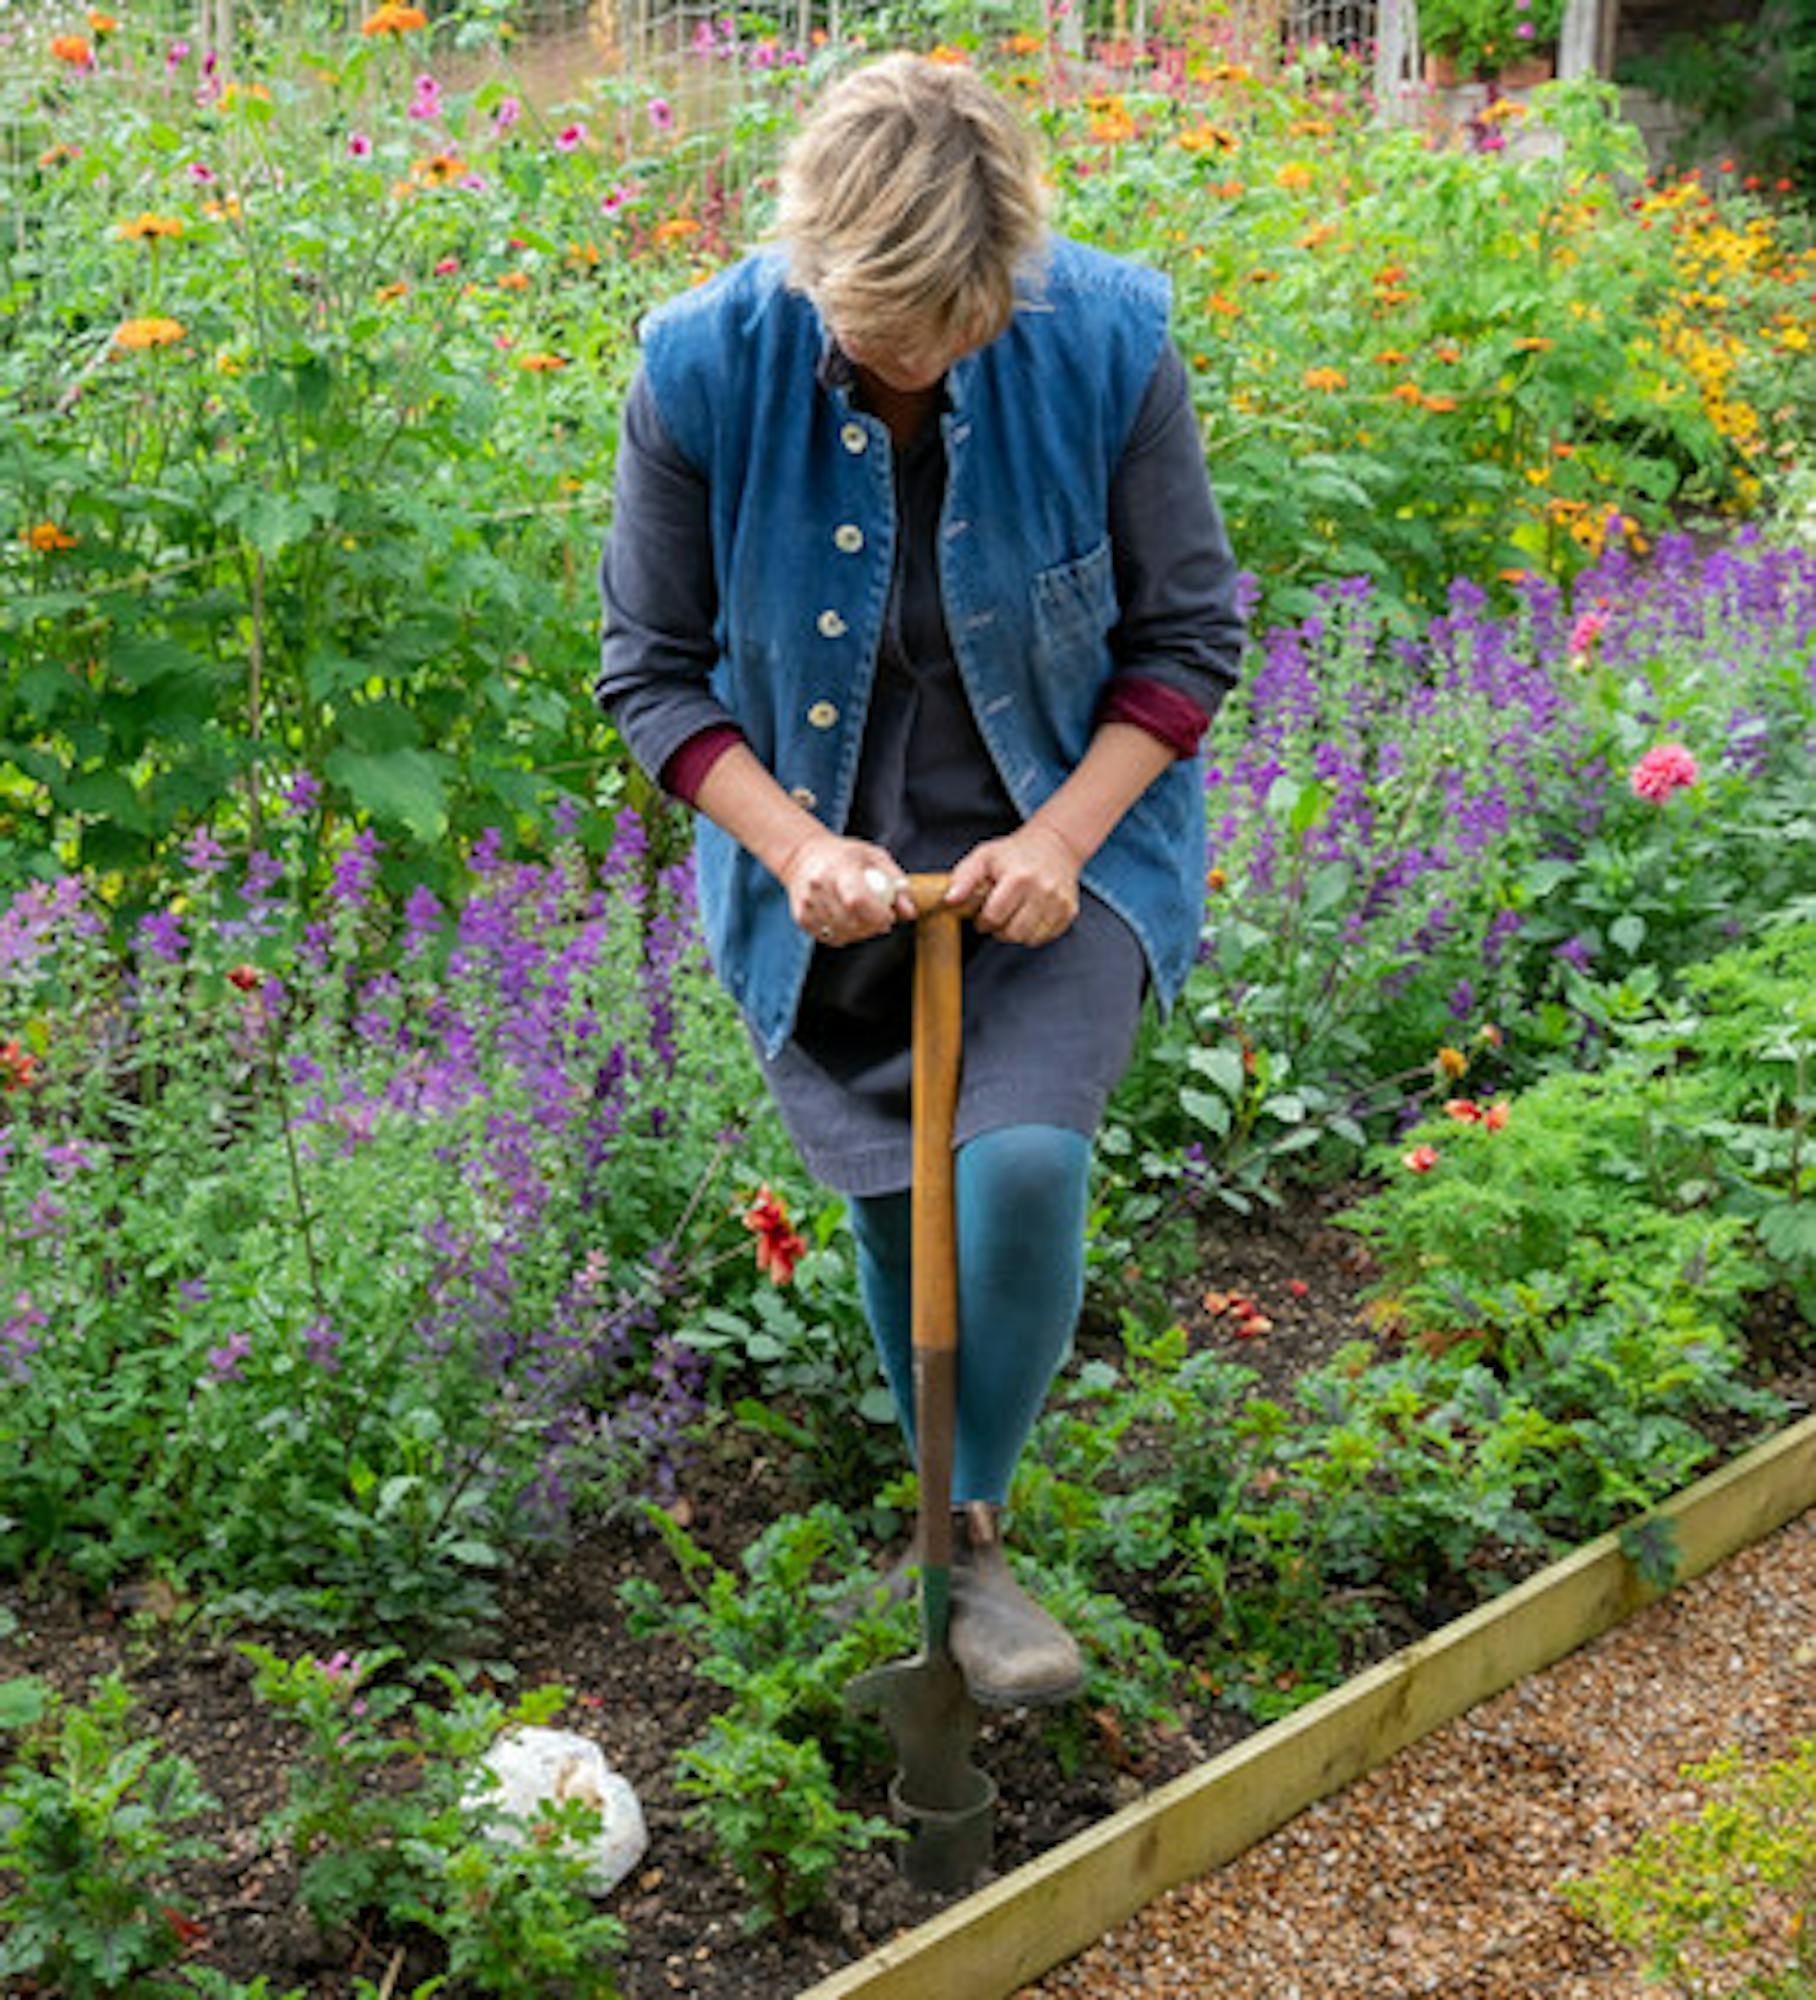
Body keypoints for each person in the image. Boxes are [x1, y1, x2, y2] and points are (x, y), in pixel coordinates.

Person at [597, 53, 1246, 1708]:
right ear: (815, 269)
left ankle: (966, 1532)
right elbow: (655, 676)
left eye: (952, 333)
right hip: (830, 867)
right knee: (901, 1204)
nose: (915, 363)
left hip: (1054, 840)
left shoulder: (1103, 339)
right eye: (880, 336)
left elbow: (1187, 639)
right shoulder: (699, 367)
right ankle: (946, 1542)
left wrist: (1059, 842)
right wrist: (798, 847)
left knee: (1017, 1170)